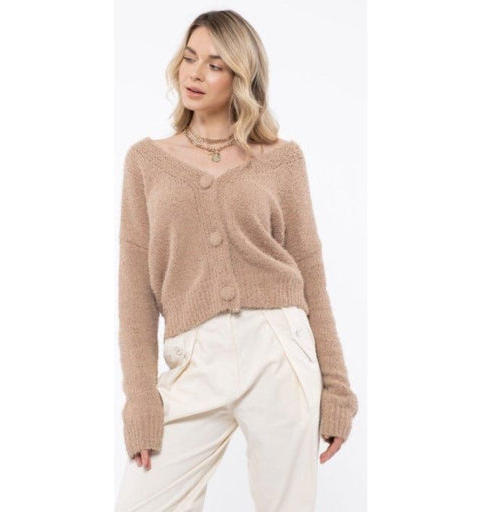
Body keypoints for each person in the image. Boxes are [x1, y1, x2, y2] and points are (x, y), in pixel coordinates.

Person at [115, 9, 358, 512]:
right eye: (189, 58)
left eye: (215, 65)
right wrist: (140, 399)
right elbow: (135, 290)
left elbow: (311, 274)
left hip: (278, 347)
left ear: (241, 77)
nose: (195, 74)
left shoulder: (282, 160)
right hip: (192, 359)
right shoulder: (145, 161)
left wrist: (338, 389)